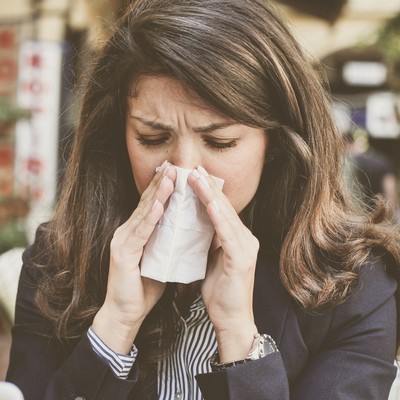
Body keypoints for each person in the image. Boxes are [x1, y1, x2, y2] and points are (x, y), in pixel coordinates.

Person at [6, 0, 400, 399]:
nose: (185, 173)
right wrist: (115, 326)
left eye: (220, 142)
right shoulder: (57, 260)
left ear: (276, 143)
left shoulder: (355, 287)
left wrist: (239, 338)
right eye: (152, 139)